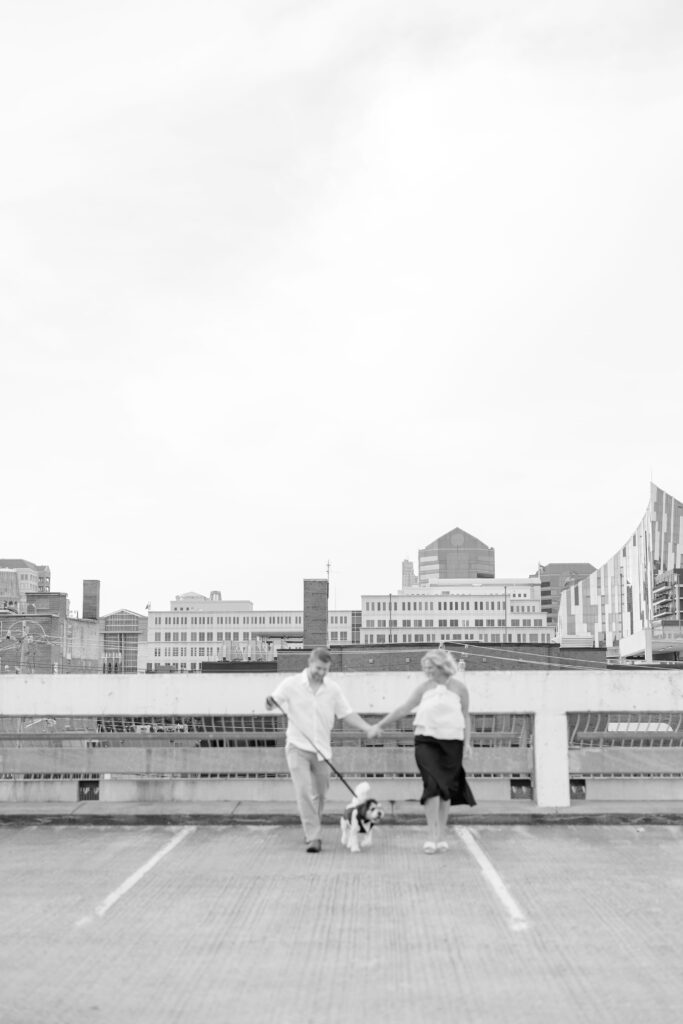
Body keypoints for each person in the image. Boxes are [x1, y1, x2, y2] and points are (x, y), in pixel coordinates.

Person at [367, 648, 475, 853]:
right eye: (425, 669)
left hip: (452, 743)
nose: (428, 672)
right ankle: (431, 836)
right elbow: (403, 709)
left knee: (445, 791)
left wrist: (467, 743)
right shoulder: (424, 688)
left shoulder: (460, 688)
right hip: (426, 742)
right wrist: (379, 725)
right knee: (432, 785)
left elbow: (466, 715)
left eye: (431, 668)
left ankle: (441, 835)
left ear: (442, 666)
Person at [266, 647, 373, 853]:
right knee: (304, 791)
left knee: (320, 795)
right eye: (318, 668)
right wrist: (269, 702)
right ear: (310, 663)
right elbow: (273, 702)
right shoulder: (291, 684)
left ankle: (312, 827)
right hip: (297, 747)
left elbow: (346, 713)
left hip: (323, 751)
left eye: (325, 669)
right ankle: (313, 836)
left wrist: (367, 727)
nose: (321, 673)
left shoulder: (332, 689)